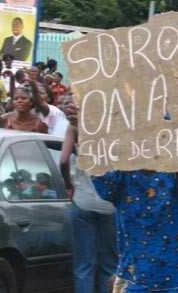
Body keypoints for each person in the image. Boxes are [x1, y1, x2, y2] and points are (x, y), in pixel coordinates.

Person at [60, 120, 117, 293]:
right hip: (109, 203)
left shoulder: (76, 126)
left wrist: (68, 184)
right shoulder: (113, 123)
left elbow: (63, 161)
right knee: (108, 265)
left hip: (82, 200)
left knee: (84, 266)